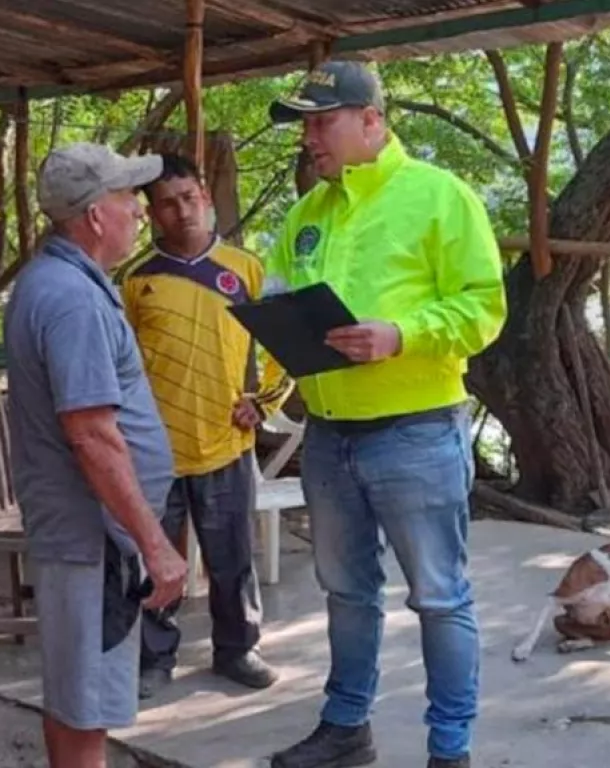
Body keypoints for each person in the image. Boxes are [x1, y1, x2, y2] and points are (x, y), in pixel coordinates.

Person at [261, 60, 507, 768]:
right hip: (329, 435)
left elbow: (484, 308)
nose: (310, 138)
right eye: (304, 125)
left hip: (416, 431)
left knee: (438, 597)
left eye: (321, 121)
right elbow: (281, 297)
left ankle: (449, 751)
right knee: (344, 591)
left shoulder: (439, 197)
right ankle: (346, 729)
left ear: (372, 120)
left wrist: (401, 336)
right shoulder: (308, 214)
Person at [2, 143, 188, 768]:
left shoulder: (66, 282)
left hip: (87, 536)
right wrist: (155, 544)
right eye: (126, 198)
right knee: (87, 708)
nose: (140, 209)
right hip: (93, 539)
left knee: (76, 695)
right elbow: (92, 435)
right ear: (94, 217)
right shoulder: (73, 299)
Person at [116, 153, 293, 698]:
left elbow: (283, 346)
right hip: (154, 451)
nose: (182, 211)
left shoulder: (247, 270)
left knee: (232, 558)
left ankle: (238, 649)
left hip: (225, 443)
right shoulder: (135, 280)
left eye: (189, 198)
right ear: (153, 213)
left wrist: (262, 404)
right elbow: (117, 366)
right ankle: (153, 657)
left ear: (207, 201)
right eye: (167, 203)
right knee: (155, 562)